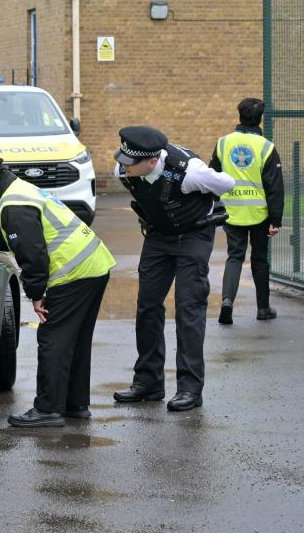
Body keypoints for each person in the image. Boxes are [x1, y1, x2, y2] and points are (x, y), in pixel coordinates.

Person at [0, 153, 116, 428]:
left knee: (53, 339)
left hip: (74, 272)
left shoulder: (13, 204)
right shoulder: (16, 192)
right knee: (75, 340)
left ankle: (48, 409)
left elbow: (31, 254)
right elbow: (23, 238)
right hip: (93, 264)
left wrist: (36, 294)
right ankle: (74, 404)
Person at [113, 126, 234, 411]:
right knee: (147, 306)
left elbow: (226, 184)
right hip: (158, 236)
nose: (123, 166)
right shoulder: (125, 168)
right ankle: (148, 382)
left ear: (153, 162)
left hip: (193, 236)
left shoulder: (191, 171)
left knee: (188, 308)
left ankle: (190, 389)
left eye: (131, 163)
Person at [210, 98, 284, 324]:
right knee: (260, 260)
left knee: (234, 257)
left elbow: (212, 177)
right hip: (260, 215)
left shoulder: (223, 143)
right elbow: (274, 187)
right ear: (260, 119)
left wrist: (215, 206)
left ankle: (226, 302)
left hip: (231, 212)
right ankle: (263, 309)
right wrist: (276, 220)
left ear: (239, 116)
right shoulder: (266, 147)